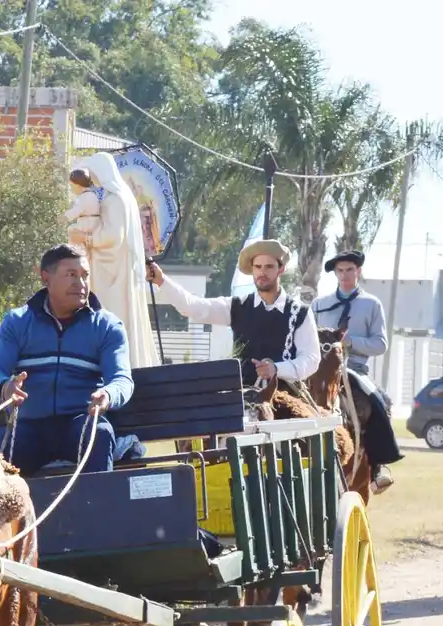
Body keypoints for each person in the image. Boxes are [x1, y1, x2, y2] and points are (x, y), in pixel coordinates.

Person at [0, 244, 132, 476]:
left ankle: (98, 510)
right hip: (29, 428)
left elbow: (122, 379)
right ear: (46, 278)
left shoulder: (107, 326)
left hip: (80, 424)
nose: (81, 284)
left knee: (100, 435)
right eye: (71, 275)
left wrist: (108, 395)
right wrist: (4, 387)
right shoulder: (17, 322)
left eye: (84, 276)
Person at [147, 238, 320, 387]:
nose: (262, 272)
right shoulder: (236, 306)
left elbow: (312, 359)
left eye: (269, 267)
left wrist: (277, 368)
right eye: (257, 267)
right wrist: (161, 280)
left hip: (287, 401)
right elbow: (194, 307)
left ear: (280, 270)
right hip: (243, 399)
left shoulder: (301, 313)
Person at [311, 249, 403, 494]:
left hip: (354, 368)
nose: (344, 275)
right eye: (340, 271)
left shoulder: (371, 304)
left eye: (349, 270)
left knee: (379, 401)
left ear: (358, 271)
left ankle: (379, 466)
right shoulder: (319, 304)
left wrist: (351, 342)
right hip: (318, 370)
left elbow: (380, 344)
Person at [69, 153, 157, 368]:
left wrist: (86, 238)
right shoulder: (122, 197)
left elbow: (112, 237)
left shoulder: (114, 199)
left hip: (113, 273)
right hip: (115, 267)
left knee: (111, 317)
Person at [62, 167, 103, 242]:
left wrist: (65, 217)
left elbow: (76, 210)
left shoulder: (85, 196)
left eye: (72, 186)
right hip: (92, 227)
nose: (71, 188)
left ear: (77, 185)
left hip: (87, 228)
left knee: (72, 231)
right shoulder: (90, 195)